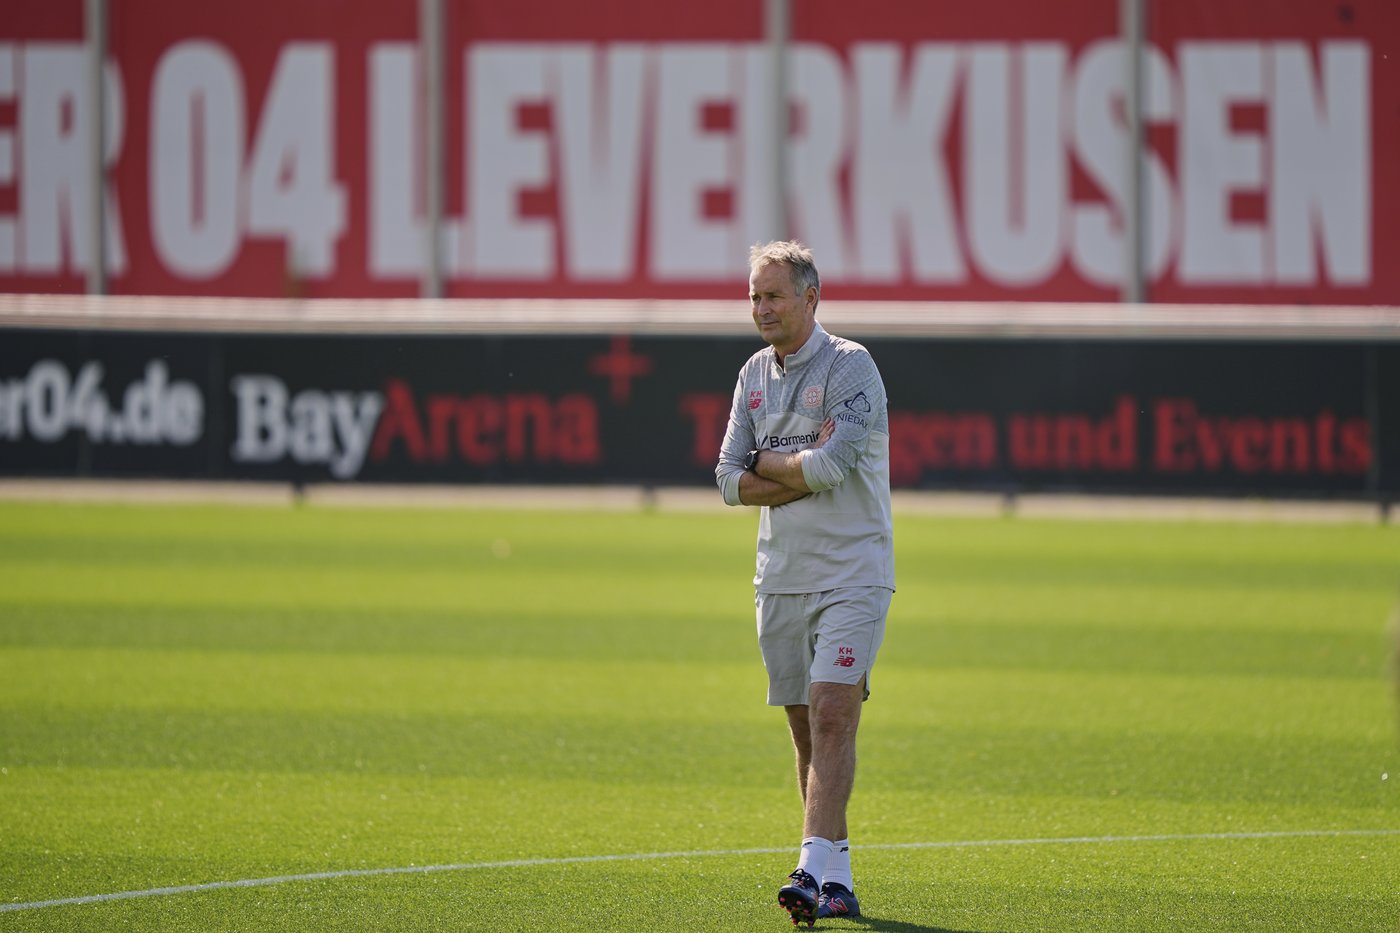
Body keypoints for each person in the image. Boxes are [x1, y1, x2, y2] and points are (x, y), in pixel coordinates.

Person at [715, 240, 895, 927]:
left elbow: (832, 469)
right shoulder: (752, 373)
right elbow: (729, 480)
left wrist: (769, 463)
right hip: (781, 578)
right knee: (806, 732)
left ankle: (808, 868)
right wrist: (784, 461)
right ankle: (839, 878)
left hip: (854, 571)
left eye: (773, 295)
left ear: (810, 298)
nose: (761, 307)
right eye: (754, 295)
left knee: (831, 713)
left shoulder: (852, 367)